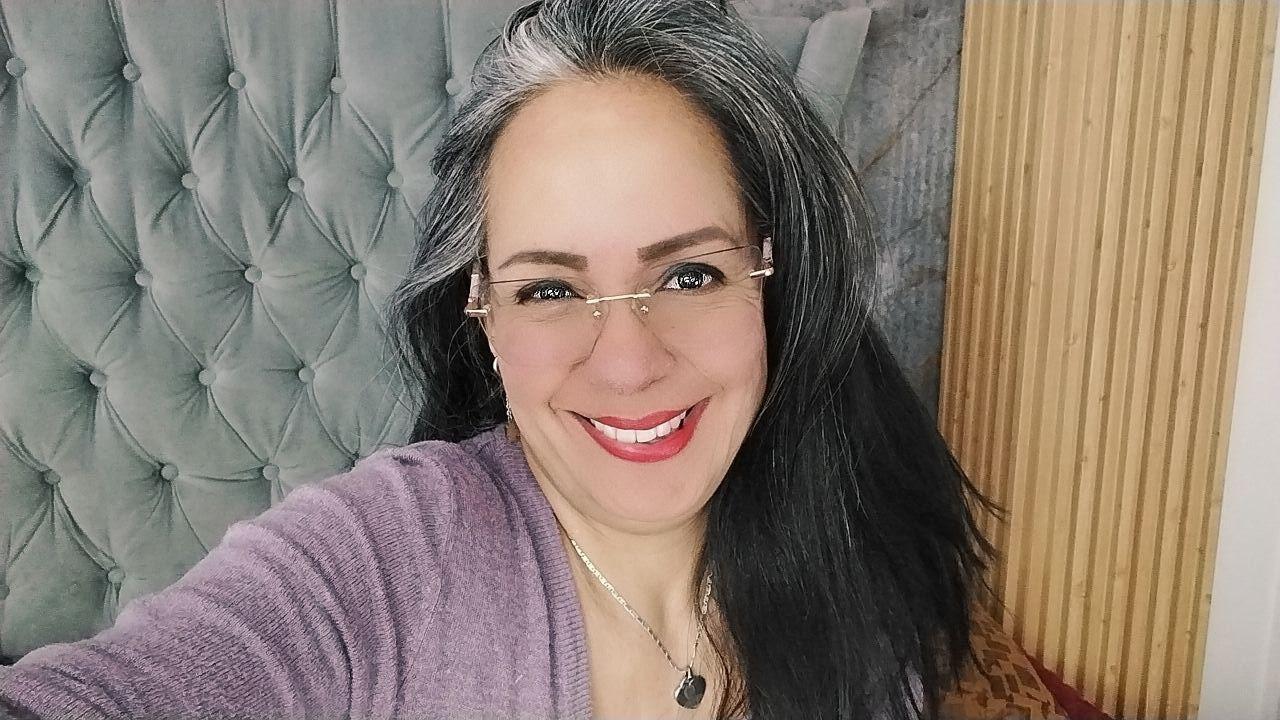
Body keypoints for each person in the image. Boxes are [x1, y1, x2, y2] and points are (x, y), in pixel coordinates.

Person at [0, 0, 1003, 718]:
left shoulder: (853, 555)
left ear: (774, 280)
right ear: (481, 318)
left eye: (689, 274)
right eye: (550, 291)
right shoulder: (388, 556)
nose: (627, 363)